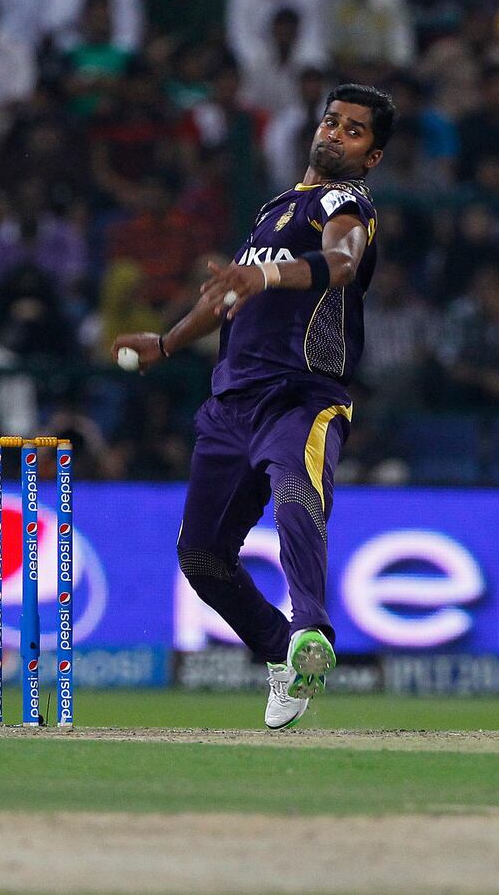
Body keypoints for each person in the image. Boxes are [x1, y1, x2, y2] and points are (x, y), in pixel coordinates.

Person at [112, 83, 394, 729]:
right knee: (201, 557)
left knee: (296, 482)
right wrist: (167, 340)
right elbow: (227, 296)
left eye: (355, 131)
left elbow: (342, 263)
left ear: (372, 156)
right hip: (230, 400)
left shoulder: (347, 204)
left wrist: (263, 275)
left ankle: (311, 629)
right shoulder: (274, 209)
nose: (336, 134)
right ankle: (281, 654)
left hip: (300, 394)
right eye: (332, 121)